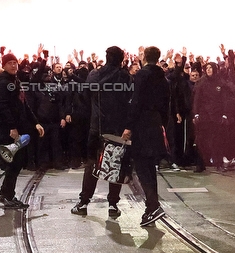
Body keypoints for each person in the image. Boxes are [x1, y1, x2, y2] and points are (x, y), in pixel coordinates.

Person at [70, 46, 131, 217]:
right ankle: (112, 205)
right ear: (121, 59)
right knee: (116, 165)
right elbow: (129, 101)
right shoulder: (124, 77)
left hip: (97, 127)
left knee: (92, 165)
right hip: (117, 129)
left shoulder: (94, 74)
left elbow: (84, 97)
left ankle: (83, 202)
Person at [122, 46, 170, 227]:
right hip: (156, 124)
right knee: (150, 168)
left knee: (142, 167)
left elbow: (137, 101)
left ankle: (154, 205)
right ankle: (151, 208)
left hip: (142, 125)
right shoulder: (163, 78)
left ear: (144, 57)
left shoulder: (142, 75)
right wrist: (162, 124)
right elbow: (167, 105)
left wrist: (129, 125)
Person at [0, 52, 44, 208]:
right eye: (10, 63)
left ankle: (3, 193)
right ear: (4, 65)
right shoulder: (2, 84)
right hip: (8, 130)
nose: (14, 65)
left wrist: (35, 122)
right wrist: (12, 128)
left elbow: (24, 105)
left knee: (17, 161)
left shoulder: (15, 80)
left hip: (19, 128)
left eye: (15, 62)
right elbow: (2, 108)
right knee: (14, 163)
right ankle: (8, 196)